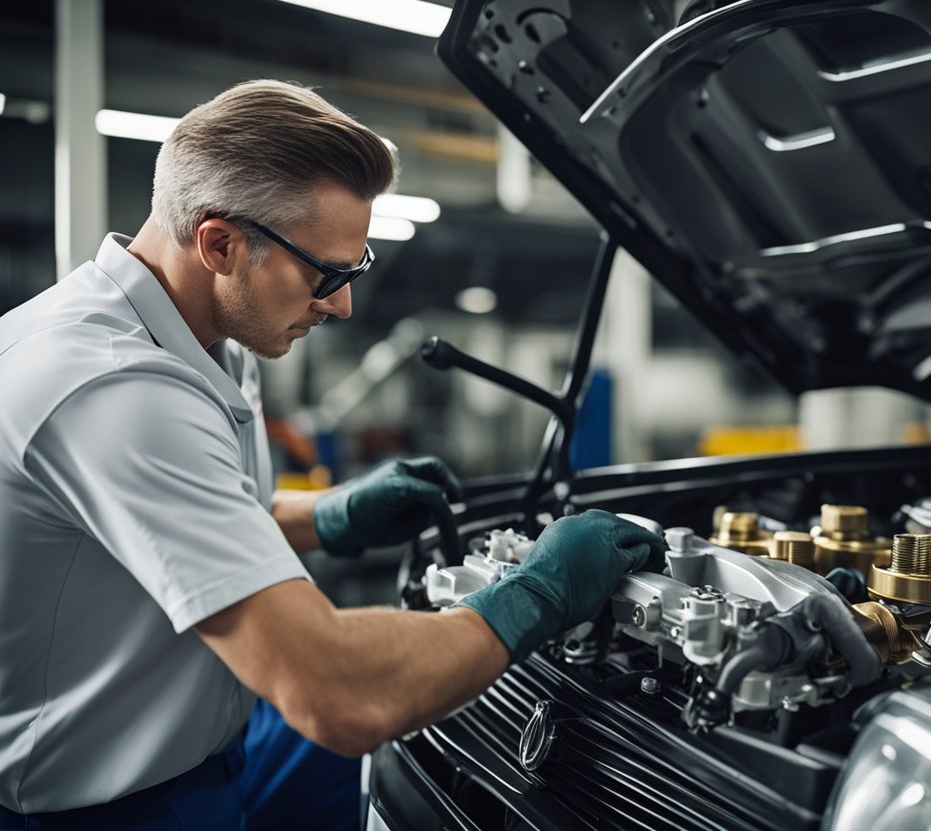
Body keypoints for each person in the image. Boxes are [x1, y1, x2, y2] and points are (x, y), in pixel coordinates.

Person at [0, 80, 665, 830]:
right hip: (106, 809)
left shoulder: (205, 334)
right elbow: (337, 695)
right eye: (327, 274)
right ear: (219, 243)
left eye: (355, 269)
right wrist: (537, 595)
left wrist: (332, 513)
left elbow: (188, 525)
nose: (342, 304)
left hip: (213, 742)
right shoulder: (115, 389)